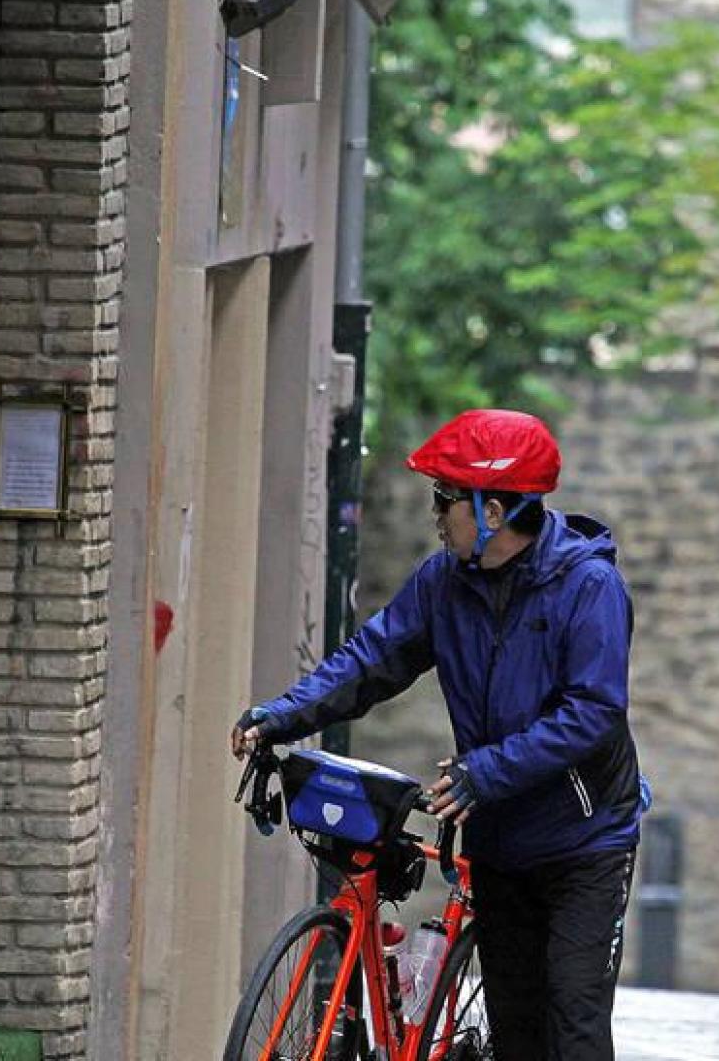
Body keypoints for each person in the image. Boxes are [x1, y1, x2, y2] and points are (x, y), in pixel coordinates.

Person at [231, 409, 645, 1061]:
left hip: (585, 841)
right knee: (516, 1031)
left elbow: (593, 712)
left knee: (574, 1022)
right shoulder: (443, 583)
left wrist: (488, 770)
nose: (436, 515)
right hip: (500, 838)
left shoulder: (589, 587)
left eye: (445, 498)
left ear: (492, 511)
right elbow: (372, 659)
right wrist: (283, 714)